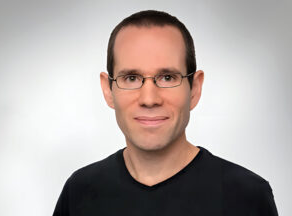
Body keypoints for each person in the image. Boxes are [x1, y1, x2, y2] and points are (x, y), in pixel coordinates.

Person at [52, 10, 278, 216]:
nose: (149, 99)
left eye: (167, 77)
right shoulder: (79, 192)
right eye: (131, 78)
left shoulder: (247, 197)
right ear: (108, 89)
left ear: (195, 89)